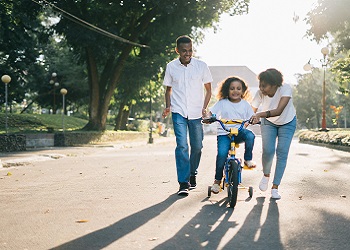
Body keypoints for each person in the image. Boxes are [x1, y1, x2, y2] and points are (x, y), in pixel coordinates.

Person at [162, 35, 212, 196]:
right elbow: (168, 89)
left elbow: (209, 89)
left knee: (197, 147)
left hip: (196, 112)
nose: (187, 54)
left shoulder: (201, 66)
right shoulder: (171, 67)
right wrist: (168, 106)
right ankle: (183, 182)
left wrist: (204, 107)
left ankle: (192, 174)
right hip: (178, 112)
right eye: (184, 51)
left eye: (190, 50)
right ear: (177, 50)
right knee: (182, 146)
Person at [250, 68, 297, 199]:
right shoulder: (260, 93)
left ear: (275, 84)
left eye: (264, 85)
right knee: (268, 151)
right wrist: (246, 121)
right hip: (268, 123)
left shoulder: (285, 89)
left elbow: (279, 111)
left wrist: (259, 114)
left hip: (287, 122)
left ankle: (275, 187)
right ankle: (266, 175)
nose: (261, 88)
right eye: (260, 85)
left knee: (282, 152)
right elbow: (251, 110)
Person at [207, 76, 256, 194]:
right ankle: (217, 181)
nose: (235, 91)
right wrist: (209, 117)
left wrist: (252, 120)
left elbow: (251, 117)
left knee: (250, 136)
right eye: (232, 88)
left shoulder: (245, 104)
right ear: (226, 90)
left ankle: (247, 159)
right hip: (224, 133)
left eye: (238, 88)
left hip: (239, 131)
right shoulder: (222, 103)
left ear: (243, 91)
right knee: (222, 155)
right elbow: (211, 112)